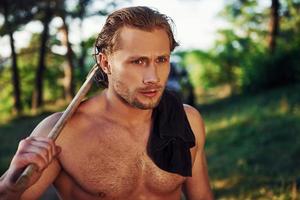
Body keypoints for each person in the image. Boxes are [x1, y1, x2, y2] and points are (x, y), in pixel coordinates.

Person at [0, 6, 214, 200]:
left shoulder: (187, 120)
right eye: (138, 61)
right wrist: (11, 186)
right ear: (105, 62)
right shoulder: (62, 133)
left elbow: (202, 196)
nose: (153, 77)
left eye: (161, 60)